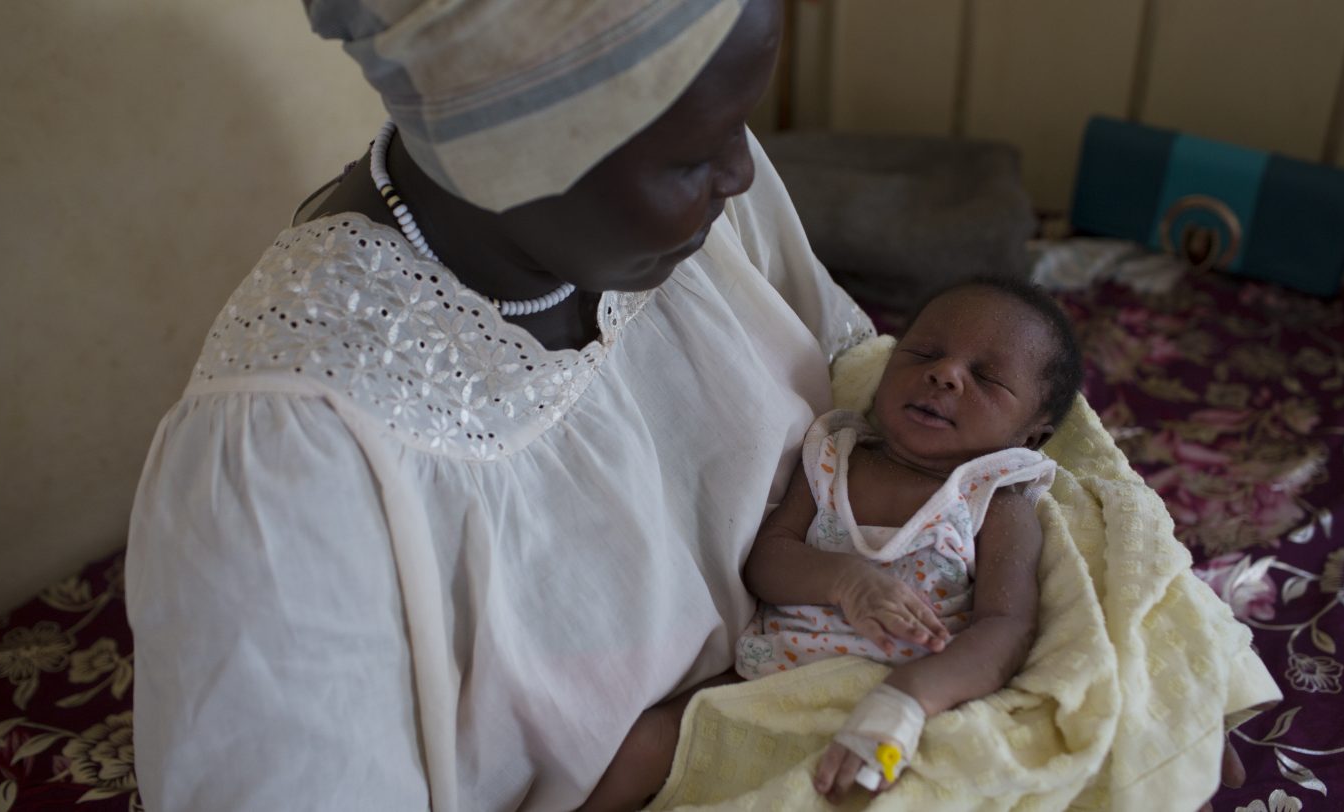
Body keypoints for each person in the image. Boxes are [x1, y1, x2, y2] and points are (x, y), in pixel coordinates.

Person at [127, 1, 876, 810]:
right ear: (509, 146)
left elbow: (863, 387)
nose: (739, 173)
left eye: (742, 121)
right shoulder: (292, 459)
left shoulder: (692, 190)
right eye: (691, 159)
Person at [734, 278, 1083, 801]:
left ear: (1030, 435)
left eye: (986, 377)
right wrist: (844, 580)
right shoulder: (835, 457)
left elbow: (1007, 628)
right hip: (765, 683)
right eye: (922, 353)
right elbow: (766, 559)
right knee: (649, 739)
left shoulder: (994, 502)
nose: (943, 374)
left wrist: (907, 698)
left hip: (895, 705)